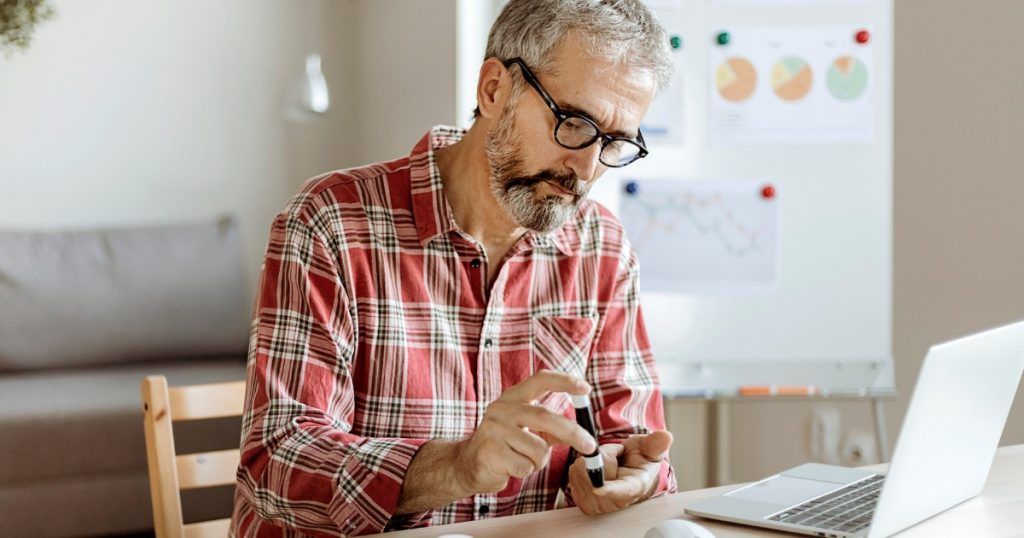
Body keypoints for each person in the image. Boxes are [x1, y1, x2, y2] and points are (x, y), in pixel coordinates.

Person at [231, 1, 677, 535]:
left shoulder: (600, 244)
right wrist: (457, 466)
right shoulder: (331, 222)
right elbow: (276, 465)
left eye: (615, 142)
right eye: (575, 124)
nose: (587, 168)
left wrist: (625, 474)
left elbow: (631, 438)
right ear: (494, 89)